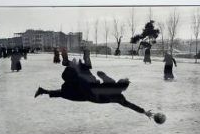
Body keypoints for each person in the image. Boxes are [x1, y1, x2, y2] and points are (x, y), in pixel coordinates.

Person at [34, 51, 165, 124]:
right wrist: (144, 112)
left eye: (123, 79)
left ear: (120, 82)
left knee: (79, 75)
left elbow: (99, 73)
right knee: (67, 93)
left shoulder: (112, 83)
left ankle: (70, 63)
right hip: (90, 97)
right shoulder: (120, 97)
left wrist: (104, 76)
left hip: (89, 90)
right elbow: (130, 105)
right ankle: (44, 91)